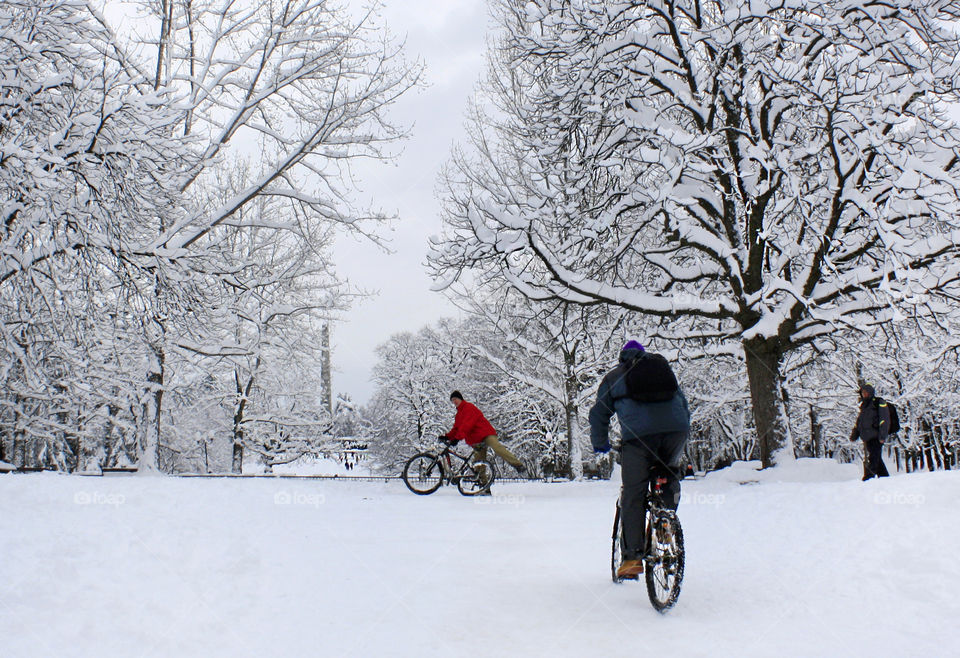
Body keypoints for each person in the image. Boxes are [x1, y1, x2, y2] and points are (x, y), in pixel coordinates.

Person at [589, 340, 690, 579]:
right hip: (676, 430)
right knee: (668, 474)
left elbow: (599, 413)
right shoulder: (663, 371)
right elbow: (683, 406)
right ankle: (666, 520)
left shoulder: (615, 377)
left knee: (633, 493)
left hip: (638, 438)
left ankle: (632, 558)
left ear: (622, 358)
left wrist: (600, 444)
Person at [442, 391, 527, 477]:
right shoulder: (459, 415)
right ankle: (484, 488)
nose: (454, 401)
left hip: (486, 434)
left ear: (460, 398)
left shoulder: (469, 408)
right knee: (479, 465)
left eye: (455, 399)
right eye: (452, 400)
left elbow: (467, 425)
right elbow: (456, 429)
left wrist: (457, 438)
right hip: (476, 440)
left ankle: (518, 465)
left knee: (497, 448)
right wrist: (447, 437)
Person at [849, 383, 890, 480]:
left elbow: (884, 420)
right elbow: (859, 422)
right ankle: (885, 478)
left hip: (876, 436)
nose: (864, 394)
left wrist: (882, 436)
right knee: (877, 459)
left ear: (870, 392)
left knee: (873, 458)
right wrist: (855, 434)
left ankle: (868, 477)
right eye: (863, 393)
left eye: (866, 392)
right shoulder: (864, 406)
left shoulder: (878, 402)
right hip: (867, 437)